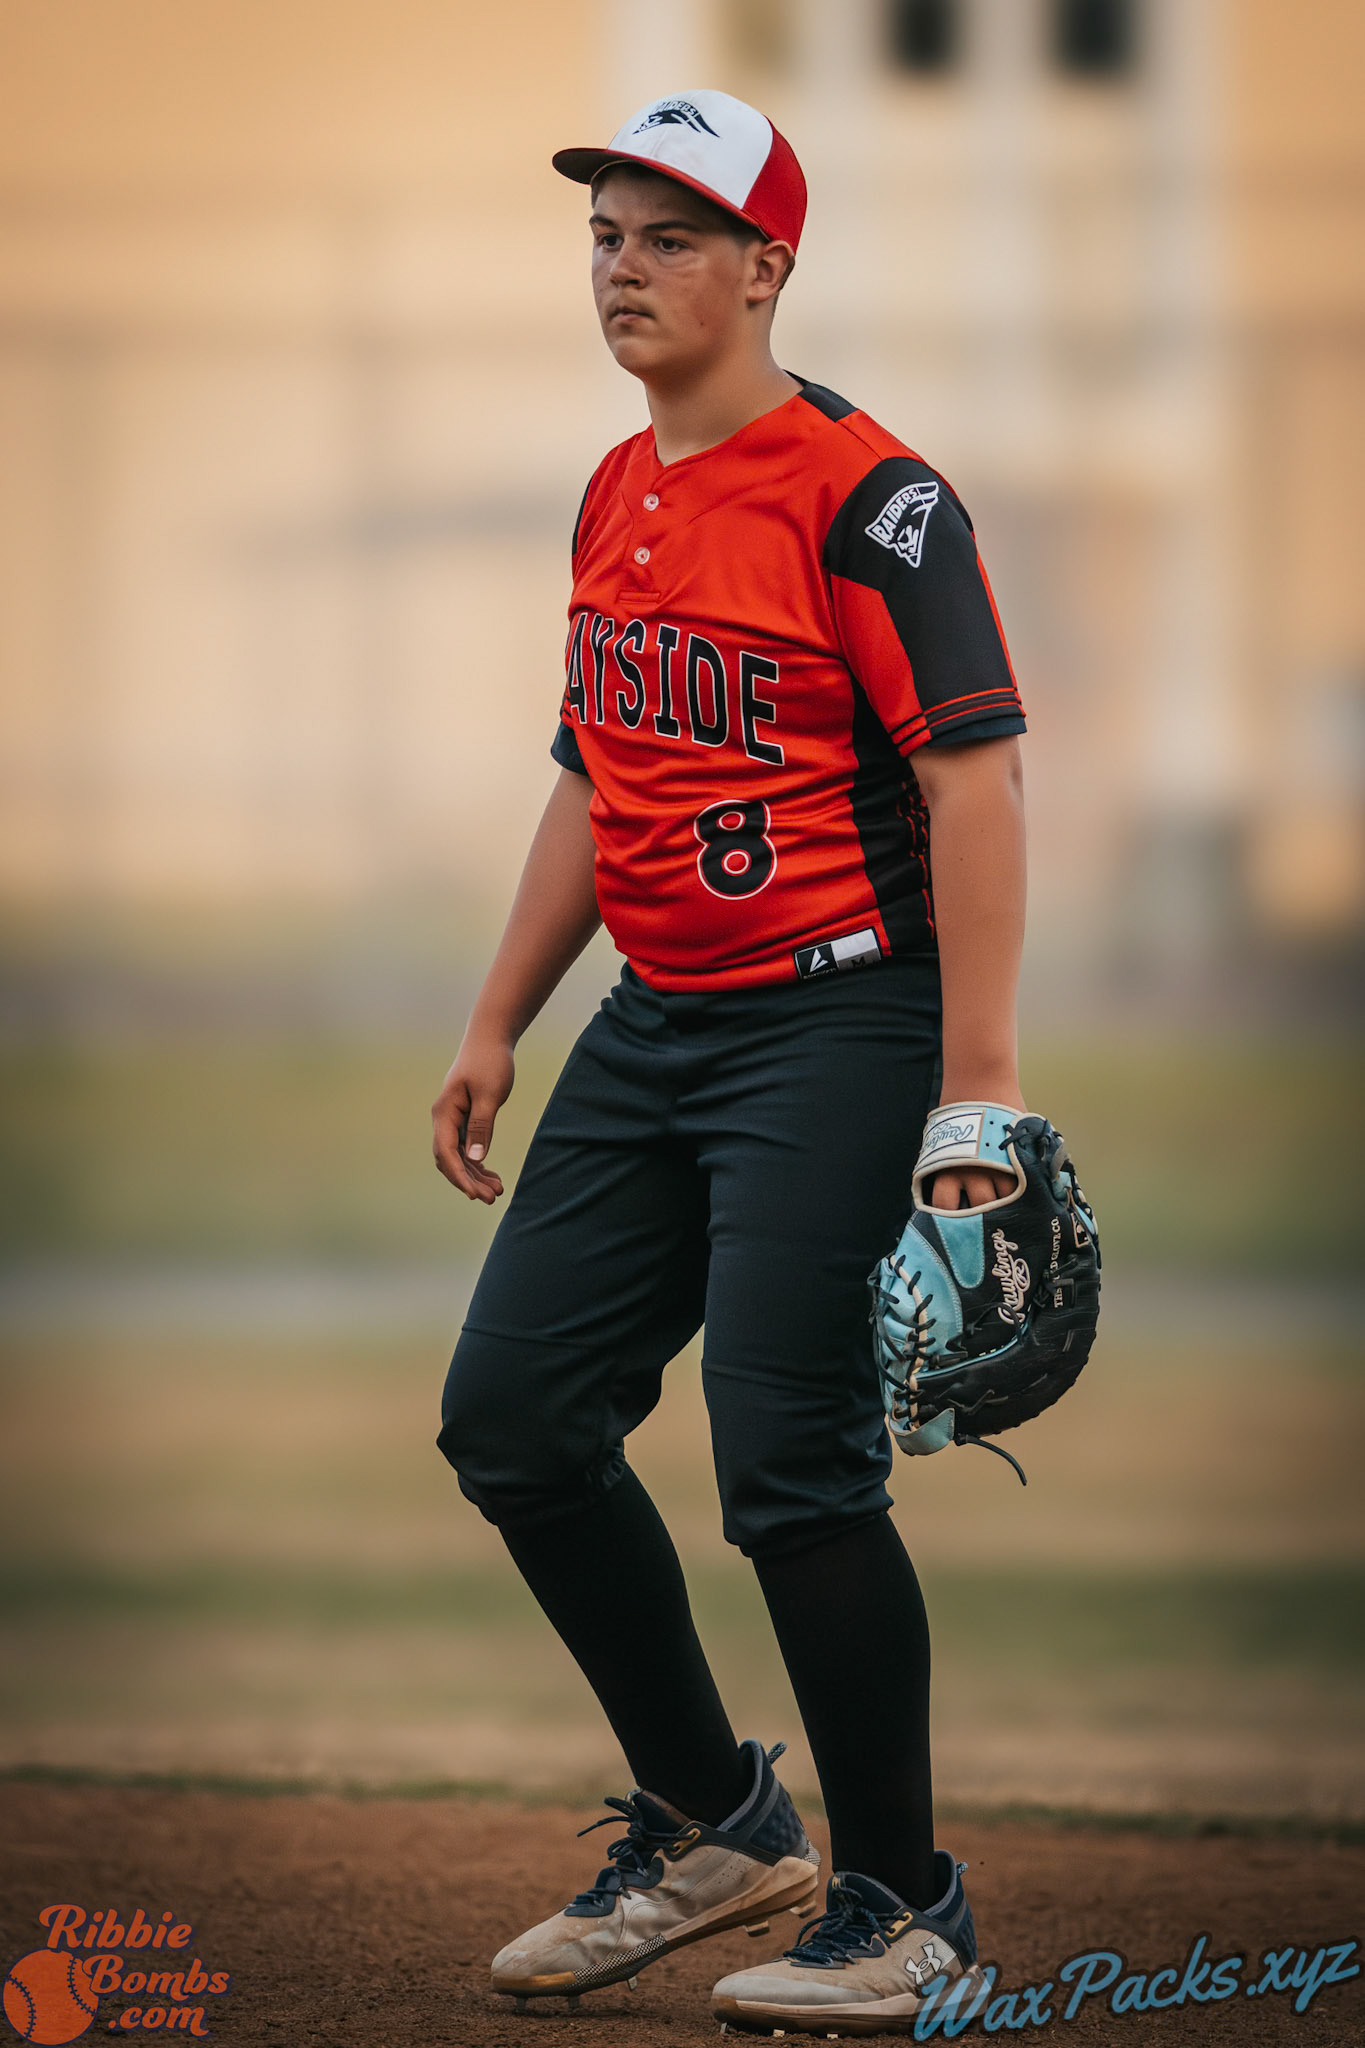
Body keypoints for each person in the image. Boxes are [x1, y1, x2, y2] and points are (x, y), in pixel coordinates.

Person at [432, 87, 1027, 2036]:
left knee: (787, 1465)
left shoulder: (872, 498)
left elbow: (973, 781)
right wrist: (501, 1014)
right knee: (514, 1417)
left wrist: (973, 1088)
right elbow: (594, 775)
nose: (622, 262)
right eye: (604, 229)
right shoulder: (618, 489)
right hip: (654, 1020)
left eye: (669, 233)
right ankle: (709, 1821)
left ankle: (903, 1903)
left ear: (765, 266)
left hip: (837, 1016)